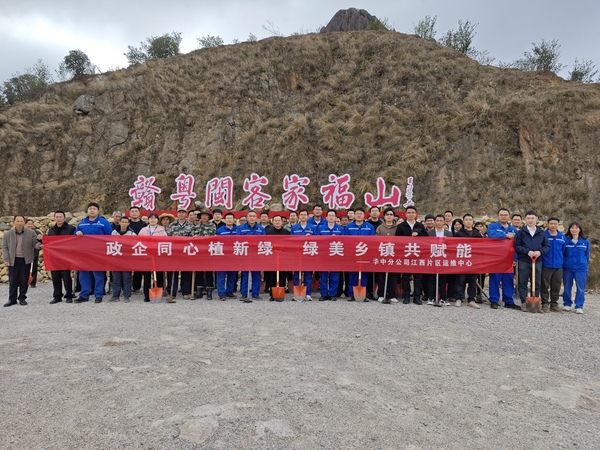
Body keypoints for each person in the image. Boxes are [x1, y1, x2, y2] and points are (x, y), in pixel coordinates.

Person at [74, 203, 113, 303]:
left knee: (98, 275)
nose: (92, 210)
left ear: (98, 211)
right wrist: (76, 233)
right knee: (84, 275)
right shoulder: (82, 223)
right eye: (90, 209)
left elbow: (109, 237)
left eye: (94, 209)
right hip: (84, 254)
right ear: (87, 211)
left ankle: (98, 295)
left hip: (98, 254)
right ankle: (84, 295)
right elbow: (75, 235)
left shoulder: (104, 223)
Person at [2, 215, 42, 307]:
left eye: (21, 221)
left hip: (25, 259)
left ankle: (22, 298)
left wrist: (40, 245)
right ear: (14, 222)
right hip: (13, 259)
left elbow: (35, 243)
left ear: (24, 222)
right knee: (13, 280)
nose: (19, 223)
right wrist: (6, 259)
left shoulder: (31, 233)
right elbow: (4, 247)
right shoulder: (8, 234)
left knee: (24, 280)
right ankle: (12, 299)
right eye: (17, 221)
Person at [514, 211, 549, 312]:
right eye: (528, 218)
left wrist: (540, 252)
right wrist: (527, 252)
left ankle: (535, 304)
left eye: (532, 218)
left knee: (537, 282)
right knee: (522, 282)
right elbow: (517, 246)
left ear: (536, 219)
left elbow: (546, 246)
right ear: (525, 219)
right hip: (524, 260)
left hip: (537, 261)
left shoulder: (541, 232)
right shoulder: (521, 232)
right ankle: (524, 303)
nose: (530, 220)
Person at [486, 208, 518, 310]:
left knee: (508, 280)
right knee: (495, 280)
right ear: (498, 216)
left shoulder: (513, 229)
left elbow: (516, 245)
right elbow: (492, 235)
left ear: (509, 216)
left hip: (509, 259)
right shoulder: (492, 226)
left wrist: (515, 259)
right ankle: (494, 300)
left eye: (505, 215)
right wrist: (505, 235)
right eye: (501, 215)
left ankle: (508, 301)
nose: (503, 217)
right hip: (496, 259)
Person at [396, 206, 427, 305]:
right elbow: (397, 240)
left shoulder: (420, 226)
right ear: (405, 214)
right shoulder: (401, 226)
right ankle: (406, 296)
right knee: (406, 277)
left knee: (418, 277)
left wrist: (418, 234)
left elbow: (426, 238)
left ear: (416, 214)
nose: (410, 214)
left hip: (418, 255)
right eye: (409, 212)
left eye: (412, 212)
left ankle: (416, 296)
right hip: (406, 254)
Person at [345, 207, 376, 302]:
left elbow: (373, 240)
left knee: (364, 275)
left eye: (361, 213)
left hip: (365, 254)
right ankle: (351, 294)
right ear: (354, 215)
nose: (359, 215)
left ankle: (364, 294)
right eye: (357, 213)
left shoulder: (369, 226)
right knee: (353, 275)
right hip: (352, 255)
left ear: (364, 215)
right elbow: (345, 240)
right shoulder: (349, 226)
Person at [454, 214, 483, 309]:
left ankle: (471, 299)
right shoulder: (459, 234)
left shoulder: (477, 234)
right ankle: (459, 298)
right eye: (466, 220)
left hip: (474, 261)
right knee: (460, 280)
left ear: (473, 221)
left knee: (473, 281)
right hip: (462, 260)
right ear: (463, 222)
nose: (468, 221)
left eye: (470, 220)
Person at [138, 213, 168, 302]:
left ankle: (158, 295)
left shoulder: (162, 230)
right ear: (148, 220)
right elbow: (139, 241)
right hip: (146, 255)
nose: (153, 220)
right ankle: (147, 295)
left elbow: (165, 241)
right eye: (151, 218)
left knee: (159, 275)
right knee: (147, 276)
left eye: (155, 218)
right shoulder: (143, 230)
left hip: (158, 255)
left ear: (157, 220)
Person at [47, 211, 76, 304]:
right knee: (55, 277)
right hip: (54, 257)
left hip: (66, 257)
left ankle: (69, 295)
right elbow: (48, 242)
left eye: (60, 217)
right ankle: (57, 296)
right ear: (54, 218)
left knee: (66, 277)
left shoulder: (71, 229)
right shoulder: (51, 230)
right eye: (57, 217)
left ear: (64, 218)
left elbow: (75, 241)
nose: (59, 219)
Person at [237, 211, 266, 301]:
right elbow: (237, 240)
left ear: (256, 217)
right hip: (245, 254)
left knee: (256, 275)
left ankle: (255, 293)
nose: (252, 218)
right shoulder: (241, 228)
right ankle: (244, 293)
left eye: (253, 216)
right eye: (250, 216)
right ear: (247, 217)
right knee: (245, 275)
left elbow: (264, 241)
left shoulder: (260, 229)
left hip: (256, 255)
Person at [166, 208, 194, 300]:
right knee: (172, 273)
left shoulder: (191, 225)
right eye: (180, 212)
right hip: (174, 252)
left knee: (186, 273)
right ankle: (172, 292)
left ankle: (185, 292)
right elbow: (167, 238)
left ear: (185, 214)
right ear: (177, 214)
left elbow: (193, 238)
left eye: (183, 213)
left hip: (186, 252)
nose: (181, 214)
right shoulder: (172, 225)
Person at [562, 222, 590, 314]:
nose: (574, 229)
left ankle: (579, 306)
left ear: (579, 229)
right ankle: (567, 304)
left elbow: (587, 255)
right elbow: (563, 253)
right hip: (567, 268)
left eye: (576, 228)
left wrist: (583, 263)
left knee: (580, 288)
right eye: (572, 228)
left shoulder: (585, 242)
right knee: (567, 287)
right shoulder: (566, 241)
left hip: (581, 268)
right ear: (569, 229)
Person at [540, 217, 566, 313]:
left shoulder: (562, 237)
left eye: (555, 224)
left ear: (558, 225)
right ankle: (544, 304)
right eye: (551, 223)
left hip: (558, 266)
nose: (553, 225)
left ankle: (554, 304)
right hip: (546, 264)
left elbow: (564, 250)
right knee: (544, 285)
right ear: (547, 224)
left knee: (556, 286)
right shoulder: (543, 235)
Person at [290, 209, 317, 301]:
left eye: (305, 215)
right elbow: (291, 240)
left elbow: (317, 240)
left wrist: (311, 238)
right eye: (301, 215)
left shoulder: (312, 227)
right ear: (299, 216)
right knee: (297, 274)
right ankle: (297, 293)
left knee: (308, 275)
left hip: (308, 254)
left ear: (307, 216)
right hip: (297, 254)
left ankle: (308, 293)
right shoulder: (294, 228)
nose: (303, 216)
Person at [317, 209, 344, 301]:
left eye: (333, 216)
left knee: (334, 276)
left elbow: (344, 241)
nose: (331, 217)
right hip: (323, 255)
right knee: (323, 276)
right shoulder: (321, 228)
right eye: (329, 216)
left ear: (336, 218)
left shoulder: (340, 229)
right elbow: (317, 241)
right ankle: (324, 294)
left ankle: (332, 294)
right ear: (326, 217)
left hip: (336, 255)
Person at [426, 214, 453, 306]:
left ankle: (443, 298)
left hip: (443, 259)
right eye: (437, 221)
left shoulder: (449, 234)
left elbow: (451, 246)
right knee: (431, 279)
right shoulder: (429, 233)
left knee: (443, 280)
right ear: (434, 222)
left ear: (444, 222)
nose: (439, 222)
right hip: (432, 258)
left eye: (441, 221)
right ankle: (431, 297)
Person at [376, 207, 399, 303]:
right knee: (381, 276)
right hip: (382, 254)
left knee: (393, 276)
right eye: (387, 214)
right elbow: (376, 240)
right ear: (384, 216)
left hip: (394, 255)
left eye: (391, 214)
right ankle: (381, 294)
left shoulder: (398, 228)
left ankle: (392, 295)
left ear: (394, 216)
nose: (389, 216)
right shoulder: (380, 228)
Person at [264, 215, 290, 301]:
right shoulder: (268, 232)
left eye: (279, 221)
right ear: (272, 222)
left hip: (283, 257)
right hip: (272, 257)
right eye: (275, 221)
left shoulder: (286, 232)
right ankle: (272, 295)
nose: (277, 222)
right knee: (272, 276)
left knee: (282, 276)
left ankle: (280, 294)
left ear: (282, 222)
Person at [110, 216, 135, 303]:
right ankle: (115, 296)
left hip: (127, 259)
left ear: (128, 223)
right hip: (116, 258)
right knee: (116, 278)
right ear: (119, 222)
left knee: (126, 278)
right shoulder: (114, 232)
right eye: (122, 222)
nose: (124, 224)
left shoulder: (132, 234)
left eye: (126, 222)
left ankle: (126, 296)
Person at [192, 211, 217, 299]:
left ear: (209, 217)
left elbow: (212, 236)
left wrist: (201, 238)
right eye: (202, 215)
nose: (204, 217)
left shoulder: (212, 226)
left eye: (206, 215)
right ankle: (199, 289)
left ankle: (209, 290)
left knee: (209, 271)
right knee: (199, 271)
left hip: (209, 251)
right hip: (199, 252)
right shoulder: (196, 227)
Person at [24, 219, 42, 287]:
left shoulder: (37, 232)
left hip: (34, 253)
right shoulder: (22, 232)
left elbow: (41, 242)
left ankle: (33, 282)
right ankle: (23, 282)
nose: (30, 225)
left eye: (31, 224)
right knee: (23, 268)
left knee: (34, 268)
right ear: (25, 224)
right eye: (28, 224)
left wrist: (40, 239)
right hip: (24, 253)